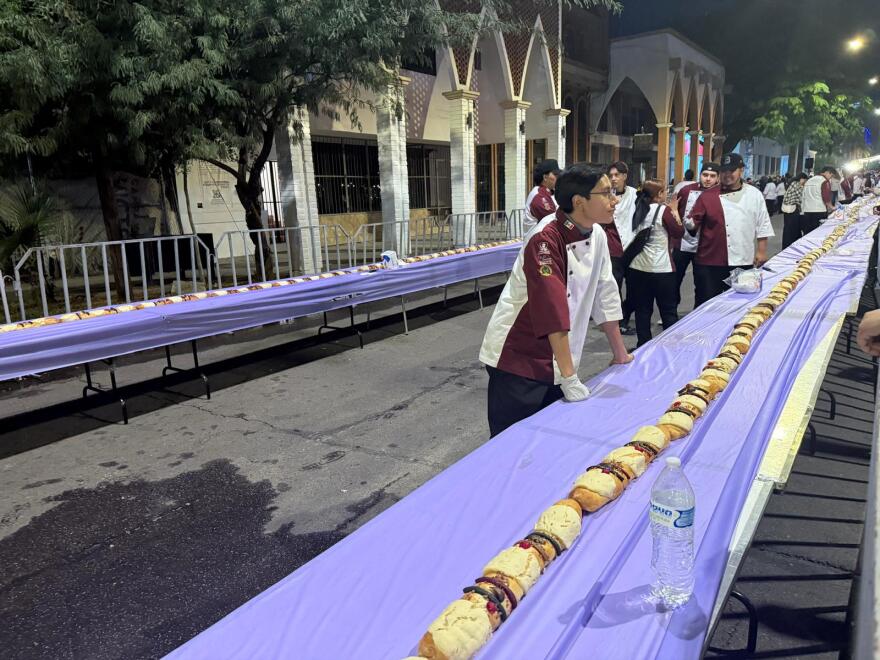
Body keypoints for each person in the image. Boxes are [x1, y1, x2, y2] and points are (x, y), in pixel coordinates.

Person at [479, 164, 634, 437]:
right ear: (579, 201)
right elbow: (551, 308)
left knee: (550, 440)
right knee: (512, 443)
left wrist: (619, 353)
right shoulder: (546, 238)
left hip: (560, 357)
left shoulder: (596, 232)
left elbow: (605, 292)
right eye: (606, 193)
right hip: (519, 357)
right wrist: (569, 377)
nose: (615, 200)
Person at [685, 153, 774, 306]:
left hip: (743, 259)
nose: (727, 175)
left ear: (741, 170)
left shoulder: (754, 195)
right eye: (724, 171)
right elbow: (693, 224)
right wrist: (686, 222)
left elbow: (763, 224)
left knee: (739, 305)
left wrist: (761, 251)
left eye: (732, 171)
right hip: (709, 261)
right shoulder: (707, 196)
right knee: (705, 305)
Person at [626, 180, 685, 347]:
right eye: (665, 191)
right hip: (662, 268)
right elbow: (679, 232)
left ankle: (643, 345)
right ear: (659, 194)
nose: (666, 194)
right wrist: (675, 211)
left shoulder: (637, 208)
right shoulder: (663, 211)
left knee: (642, 310)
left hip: (637, 267)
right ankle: (669, 347)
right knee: (668, 310)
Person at [672, 161, 720, 309]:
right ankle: (671, 312)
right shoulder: (686, 190)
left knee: (702, 284)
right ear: (700, 175)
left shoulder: (720, 194)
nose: (708, 179)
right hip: (682, 244)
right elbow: (675, 210)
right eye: (705, 175)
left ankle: (698, 312)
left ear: (717, 178)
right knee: (674, 280)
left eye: (712, 176)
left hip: (706, 248)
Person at [604, 161, 638, 335]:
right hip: (612, 248)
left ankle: (625, 314)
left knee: (635, 289)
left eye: (617, 175)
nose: (613, 179)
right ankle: (618, 323)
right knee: (614, 288)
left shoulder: (635, 194)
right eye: (611, 175)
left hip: (631, 247)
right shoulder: (604, 195)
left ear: (625, 176)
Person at [523, 159, 561, 235]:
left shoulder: (548, 192)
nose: (558, 178)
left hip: (544, 237)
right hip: (537, 239)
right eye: (555, 175)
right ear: (545, 177)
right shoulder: (539, 196)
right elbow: (556, 220)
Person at [801, 166, 836, 231]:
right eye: (831, 176)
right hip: (819, 211)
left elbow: (803, 196)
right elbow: (826, 197)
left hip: (807, 211)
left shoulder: (809, 180)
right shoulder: (824, 181)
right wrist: (832, 207)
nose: (830, 178)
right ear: (827, 172)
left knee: (808, 232)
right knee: (818, 232)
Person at [780, 172, 809, 249]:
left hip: (787, 209)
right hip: (793, 209)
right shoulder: (797, 185)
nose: (805, 182)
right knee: (793, 229)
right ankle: (791, 246)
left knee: (787, 228)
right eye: (805, 180)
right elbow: (800, 197)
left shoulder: (792, 183)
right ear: (802, 179)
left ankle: (786, 246)